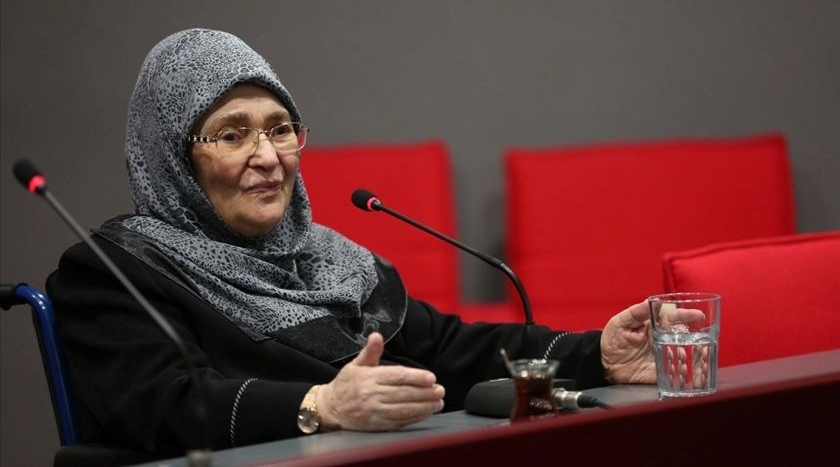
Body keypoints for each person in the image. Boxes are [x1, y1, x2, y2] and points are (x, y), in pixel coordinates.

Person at [46, 28, 655, 457]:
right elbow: (168, 403)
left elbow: (448, 348)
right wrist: (321, 405)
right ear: (173, 159)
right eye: (232, 136)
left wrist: (596, 354)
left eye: (280, 130)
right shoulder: (115, 269)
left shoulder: (331, 260)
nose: (268, 157)